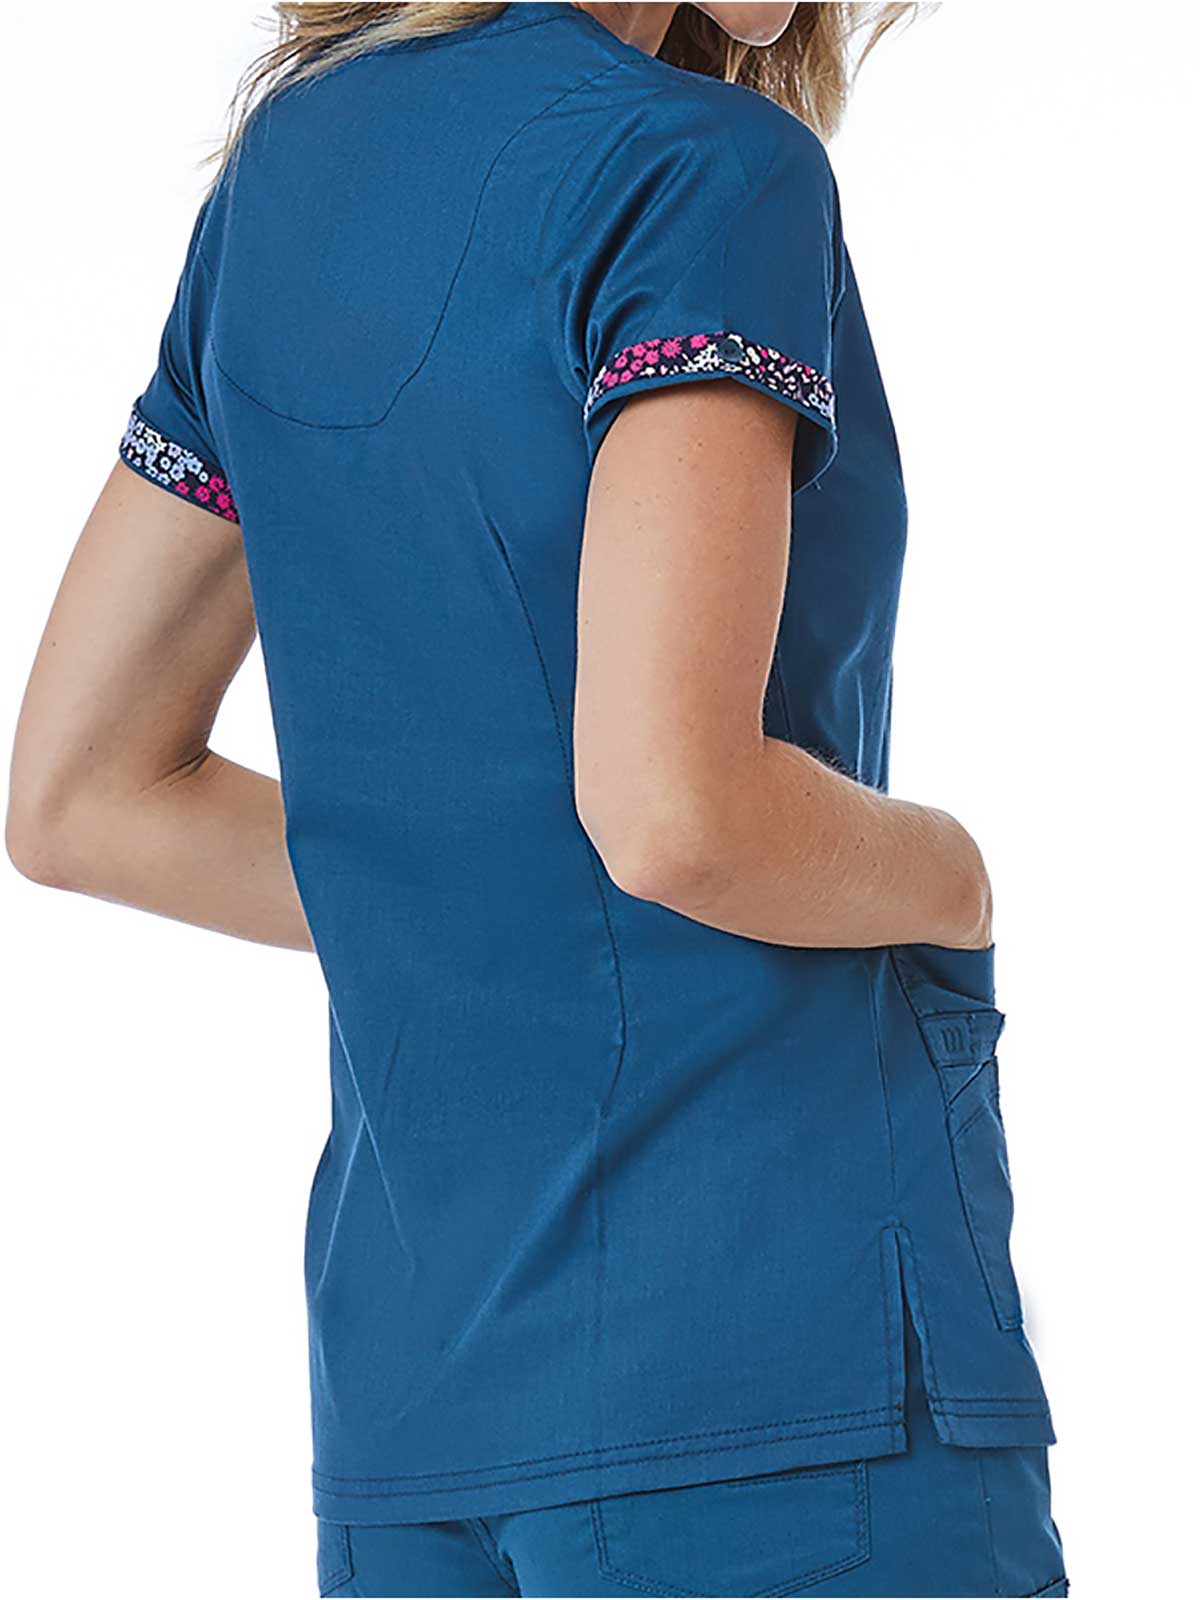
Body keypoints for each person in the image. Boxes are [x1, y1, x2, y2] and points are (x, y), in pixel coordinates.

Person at [7, 3, 1067, 1595]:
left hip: (418, 1405)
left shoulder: (288, 176)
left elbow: (85, 791)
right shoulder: (704, 171)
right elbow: (675, 812)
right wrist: (950, 875)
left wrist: (470, 883)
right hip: (776, 1366)